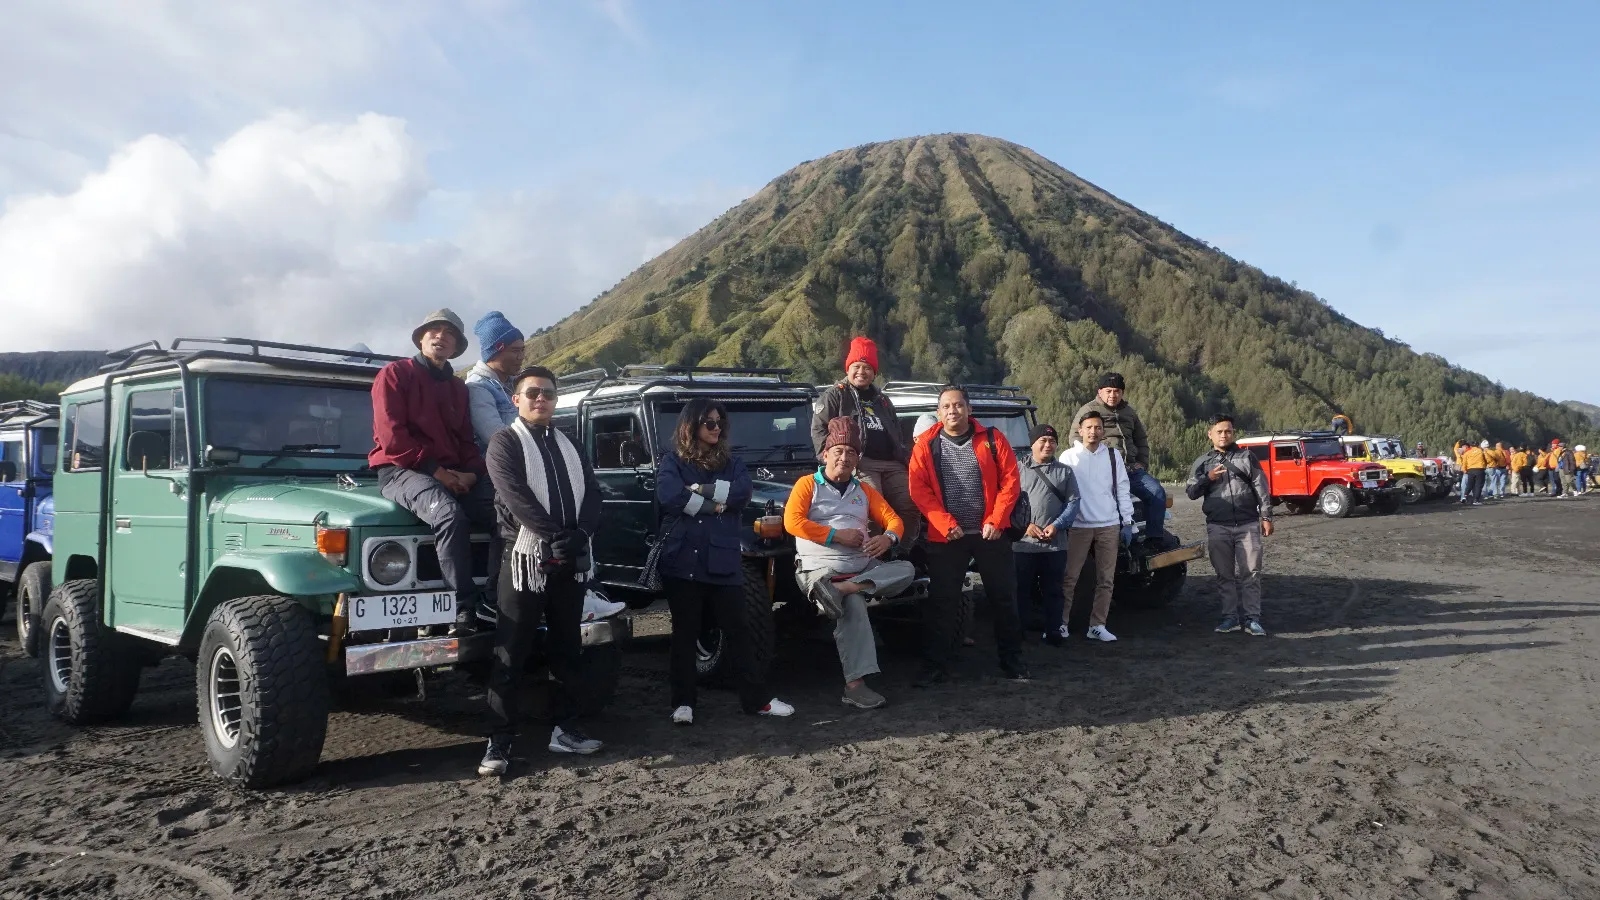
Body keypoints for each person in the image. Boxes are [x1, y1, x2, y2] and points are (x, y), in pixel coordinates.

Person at [478, 366, 604, 776]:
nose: (540, 399)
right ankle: (498, 743)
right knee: (511, 651)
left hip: (568, 560)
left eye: (548, 393)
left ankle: (565, 729)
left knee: (569, 647)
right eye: (532, 392)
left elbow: (593, 493)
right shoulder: (504, 443)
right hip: (524, 559)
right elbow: (515, 497)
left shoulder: (569, 443)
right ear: (516, 399)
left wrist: (580, 533)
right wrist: (555, 534)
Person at [656, 398, 793, 723]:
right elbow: (670, 497)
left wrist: (698, 491)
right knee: (684, 633)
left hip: (723, 560)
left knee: (740, 631)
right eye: (709, 423)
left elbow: (741, 494)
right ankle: (683, 703)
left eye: (719, 423)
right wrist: (714, 504)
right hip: (683, 560)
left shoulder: (732, 462)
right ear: (692, 426)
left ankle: (756, 700)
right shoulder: (672, 461)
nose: (716, 428)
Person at [370, 308, 496, 633]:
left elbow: (466, 440)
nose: (441, 337)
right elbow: (392, 437)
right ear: (421, 338)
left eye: (449, 333)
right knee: (448, 515)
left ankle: (495, 601)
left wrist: (472, 472)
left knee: (507, 511)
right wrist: (436, 472)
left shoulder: (457, 388)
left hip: (453, 472)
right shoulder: (395, 374)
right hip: (400, 470)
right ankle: (462, 608)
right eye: (434, 331)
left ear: (456, 346)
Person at [784, 417, 915, 710]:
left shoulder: (864, 490)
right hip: (819, 569)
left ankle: (844, 589)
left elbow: (893, 519)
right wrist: (835, 536)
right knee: (854, 605)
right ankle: (855, 686)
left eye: (851, 453)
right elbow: (792, 522)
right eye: (839, 451)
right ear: (825, 454)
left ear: (857, 460)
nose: (845, 457)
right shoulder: (808, 485)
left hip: (861, 567)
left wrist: (889, 539)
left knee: (907, 569)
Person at [907, 385, 1029, 685]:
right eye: (947, 406)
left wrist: (996, 520)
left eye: (958, 405)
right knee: (942, 603)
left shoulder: (993, 439)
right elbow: (918, 489)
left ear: (969, 409)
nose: (953, 411)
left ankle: (1013, 663)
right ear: (939, 412)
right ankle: (935, 666)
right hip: (947, 537)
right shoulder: (925, 444)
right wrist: (945, 523)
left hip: (991, 534)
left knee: (1003, 599)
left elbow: (1011, 483)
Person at [811, 337, 919, 541]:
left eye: (867, 368)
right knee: (869, 509)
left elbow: (898, 432)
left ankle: (899, 552)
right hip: (860, 462)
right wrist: (831, 462)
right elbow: (819, 430)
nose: (861, 372)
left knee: (910, 503)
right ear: (848, 368)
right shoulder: (835, 396)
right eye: (857, 366)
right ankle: (870, 559)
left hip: (892, 462)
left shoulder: (883, 400)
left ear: (874, 372)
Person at [1185, 415, 1274, 636]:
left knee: (1251, 573)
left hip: (1247, 524)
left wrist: (1266, 517)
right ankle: (1230, 618)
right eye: (1219, 431)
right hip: (1217, 526)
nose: (1224, 435)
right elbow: (1191, 492)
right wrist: (1208, 477)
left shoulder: (1247, 457)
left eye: (1228, 431)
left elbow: (1261, 487)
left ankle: (1253, 619)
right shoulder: (1202, 462)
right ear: (1210, 434)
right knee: (1224, 575)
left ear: (1233, 433)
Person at [1059, 411, 1135, 642]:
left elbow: (1122, 488)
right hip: (1079, 526)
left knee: (1106, 579)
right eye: (1089, 427)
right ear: (1080, 430)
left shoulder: (1112, 456)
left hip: (1108, 525)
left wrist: (1127, 521)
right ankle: (1061, 624)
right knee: (1069, 578)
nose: (1093, 432)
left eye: (1098, 427)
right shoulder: (1068, 457)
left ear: (1103, 431)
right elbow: (1061, 492)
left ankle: (1097, 625)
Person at [1074, 373, 1169, 546]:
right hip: (1105, 470)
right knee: (1114, 506)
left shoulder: (1129, 412)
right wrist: (1096, 458)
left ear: (1122, 392)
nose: (1112, 395)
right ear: (1100, 391)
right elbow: (1075, 438)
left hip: (1131, 469)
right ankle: (1122, 544)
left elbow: (1141, 439)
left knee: (1157, 492)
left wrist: (1142, 463)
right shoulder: (1088, 411)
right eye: (1108, 391)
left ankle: (1154, 539)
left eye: (1117, 391)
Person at [1014, 424, 1080, 646]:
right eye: (1042, 440)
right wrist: (1025, 525)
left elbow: (1073, 503)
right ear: (1032, 443)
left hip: (1055, 543)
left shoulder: (1065, 472)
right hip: (1022, 544)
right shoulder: (1017, 470)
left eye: (1052, 441)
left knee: (1054, 590)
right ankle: (1019, 632)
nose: (1047, 445)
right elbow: (1007, 504)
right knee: (1020, 590)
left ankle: (1053, 632)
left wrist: (1058, 525)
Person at [464, 311, 524, 453]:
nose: (521, 357)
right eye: (515, 351)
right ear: (495, 352)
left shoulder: (516, 382)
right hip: (503, 465)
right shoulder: (478, 387)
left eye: (523, 350)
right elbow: (496, 437)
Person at [1459, 441, 1487, 506]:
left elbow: (1464, 462)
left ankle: (1464, 496)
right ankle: (1476, 500)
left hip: (1470, 470)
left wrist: (1464, 470)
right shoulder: (1481, 451)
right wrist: (1484, 466)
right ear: (1477, 445)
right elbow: (1485, 460)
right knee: (1478, 485)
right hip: (1479, 469)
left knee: (1469, 484)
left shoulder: (1467, 453)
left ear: (1470, 446)